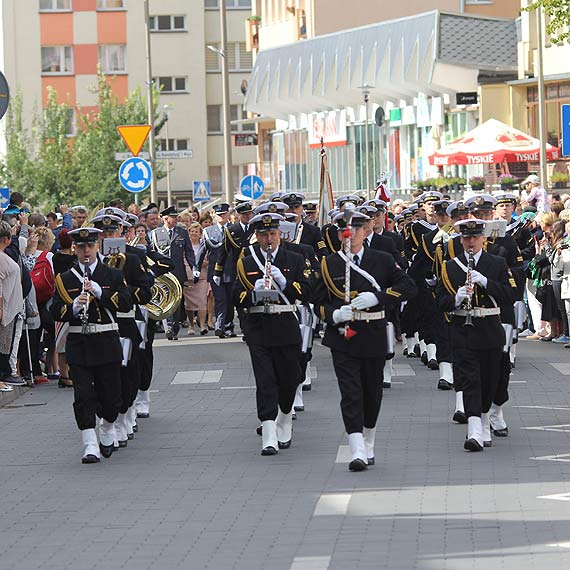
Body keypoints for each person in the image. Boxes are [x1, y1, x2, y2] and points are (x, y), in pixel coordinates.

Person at [314, 210, 416, 471]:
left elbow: (408, 286)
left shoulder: (380, 259)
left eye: (356, 230)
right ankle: (356, 445)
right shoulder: (329, 263)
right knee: (350, 392)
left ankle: (368, 437)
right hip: (344, 335)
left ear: (365, 231)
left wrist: (378, 297)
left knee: (372, 392)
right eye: (344, 231)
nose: (350, 235)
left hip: (373, 333)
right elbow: (317, 302)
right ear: (339, 234)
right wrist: (334, 314)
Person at [50, 227, 132, 463]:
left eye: (90, 246)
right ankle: (89, 444)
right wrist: (74, 306)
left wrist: (100, 293)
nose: (86, 251)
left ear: (97, 246)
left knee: (112, 397)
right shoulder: (65, 279)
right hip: (80, 342)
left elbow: (126, 303)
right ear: (74, 249)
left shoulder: (112, 275)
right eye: (81, 247)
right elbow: (55, 309)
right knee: (83, 395)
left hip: (106, 340)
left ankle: (107, 427)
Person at [436, 219, 517, 451]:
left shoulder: (497, 263)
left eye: (475, 238)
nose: (471, 242)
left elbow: (510, 295)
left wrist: (486, 282)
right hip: (463, 330)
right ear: (461, 239)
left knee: (490, 380)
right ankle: (474, 431)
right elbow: (440, 302)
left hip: (490, 329)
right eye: (466, 238)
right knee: (469, 380)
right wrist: (456, 298)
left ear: (483, 239)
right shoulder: (450, 266)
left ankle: (483, 420)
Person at [234, 212, 310, 456]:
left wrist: (285, 282)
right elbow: (235, 295)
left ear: (280, 234)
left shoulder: (295, 259)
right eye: (264, 235)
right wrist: (251, 293)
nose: (269, 239)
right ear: (256, 236)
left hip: (286, 323)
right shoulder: (247, 261)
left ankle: (284, 417)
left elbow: (308, 290)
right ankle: (268, 431)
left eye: (273, 234)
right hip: (258, 326)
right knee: (265, 380)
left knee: (289, 379)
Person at [150, 206, 195, 340]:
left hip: (178, 272)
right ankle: (168, 327)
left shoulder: (182, 232)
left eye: (176, 217)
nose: (176, 219)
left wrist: (194, 268)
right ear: (165, 219)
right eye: (173, 217)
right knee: (165, 300)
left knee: (177, 301)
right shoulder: (155, 233)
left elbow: (189, 251)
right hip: (162, 273)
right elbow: (151, 253)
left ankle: (174, 327)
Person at [214, 201, 255, 337]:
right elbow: (223, 252)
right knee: (236, 299)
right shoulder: (232, 230)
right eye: (245, 214)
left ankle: (248, 328)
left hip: (255, 270)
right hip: (237, 270)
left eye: (249, 213)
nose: (248, 216)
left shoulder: (256, 228)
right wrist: (218, 272)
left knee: (252, 300)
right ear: (238, 215)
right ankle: (230, 325)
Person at [0, 221, 24, 392]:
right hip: (5, 309)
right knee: (2, 346)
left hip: (10, 308)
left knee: (5, 345)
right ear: (7, 239)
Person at [183, 223, 209, 335]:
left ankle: (203, 325)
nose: (193, 233)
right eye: (191, 231)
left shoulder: (204, 245)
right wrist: (192, 265)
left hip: (202, 276)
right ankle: (191, 325)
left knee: (202, 301)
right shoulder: (185, 245)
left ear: (200, 234)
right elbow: (182, 259)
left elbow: (208, 259)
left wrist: (199, 264)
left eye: (196, 231)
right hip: (188, 276)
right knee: (188, 303)